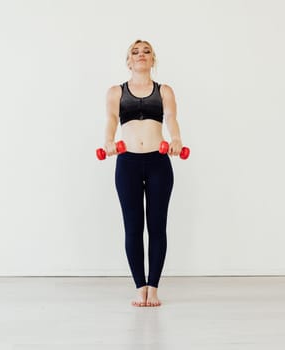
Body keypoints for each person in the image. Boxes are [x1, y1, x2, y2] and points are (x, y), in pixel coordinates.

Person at [104, 39, 183, 307]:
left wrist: (176, 139)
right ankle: (140, 287)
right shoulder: (116, 92)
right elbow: (111, 120)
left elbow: (171, 117)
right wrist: (108, 141)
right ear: (128, 61)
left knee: (157, 226)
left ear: (153, 59)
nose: (141, 55)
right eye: (135, 52)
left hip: (159, 162)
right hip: (127, 163)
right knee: (133, 227)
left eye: (146, 51)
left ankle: (154, 287)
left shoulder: (164, 91)